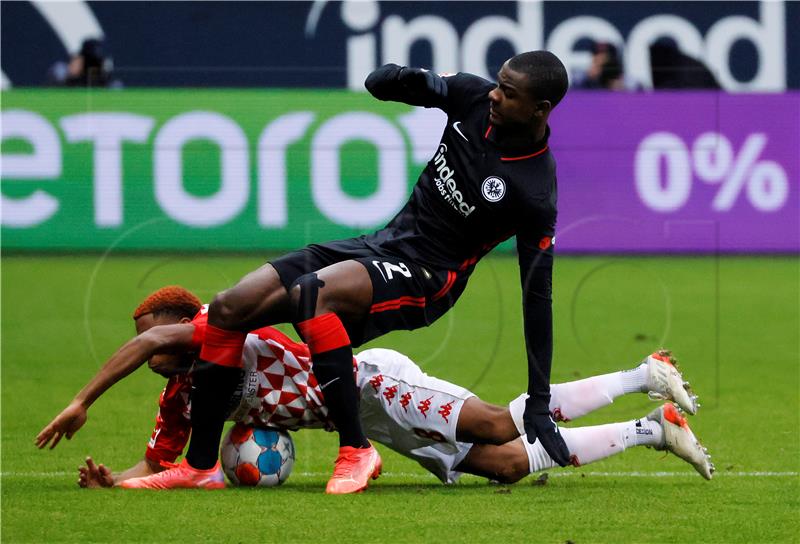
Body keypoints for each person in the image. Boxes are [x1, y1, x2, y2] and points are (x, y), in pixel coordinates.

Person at [146, 50, 573, 494]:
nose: (494, 94)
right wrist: (407, 80)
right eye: (497, 83)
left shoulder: (534, 191)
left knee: (315, 294)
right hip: (383, 243)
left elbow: (537, 297)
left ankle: (357, 449)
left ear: (539, 109)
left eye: (508, 92)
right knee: (229, 308)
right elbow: (380, 82)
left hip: (429, 276)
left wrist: (538, 402)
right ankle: (200, 468)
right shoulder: (471, 98)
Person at [36, 287, 713, 489]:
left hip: (375, 385)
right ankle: (653, 428)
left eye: (153, 333)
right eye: (141, 337)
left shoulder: (224, 326)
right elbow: (165, 462)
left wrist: (82, 399)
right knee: (505, 465)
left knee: (501, 425)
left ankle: (640, 373)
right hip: (364, 425)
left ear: (186, 326)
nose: (147, 347)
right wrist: (116, 485)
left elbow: (154, 342)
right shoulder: (185, 398)